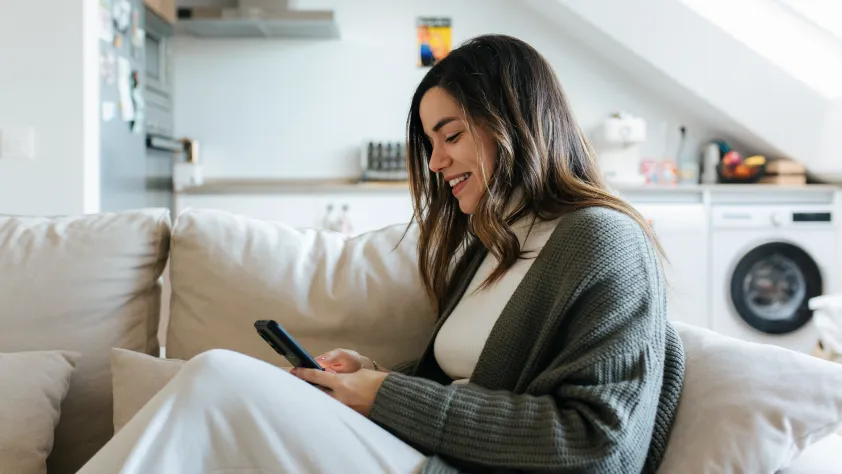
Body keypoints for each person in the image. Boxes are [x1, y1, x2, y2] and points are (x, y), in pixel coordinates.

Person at [78, 34, 685, 474]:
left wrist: (382, 394)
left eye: (450, 134)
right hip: (424, 454)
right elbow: (456, 388)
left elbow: (601, 444)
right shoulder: (496, 242)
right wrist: (374, 376)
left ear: (518, 123)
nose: (435, 161)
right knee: (215, 392)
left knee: (216, 375)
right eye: (430, 142)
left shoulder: (602, 242)